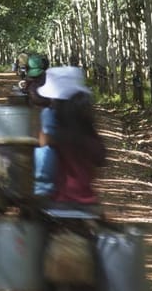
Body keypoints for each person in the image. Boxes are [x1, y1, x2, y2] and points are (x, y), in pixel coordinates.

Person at [35, 66, 106, 208]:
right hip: (88, 200)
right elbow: (100, 158)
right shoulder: (87, 133)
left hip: (58, 200)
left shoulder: (54, 137)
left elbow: (43, 164)